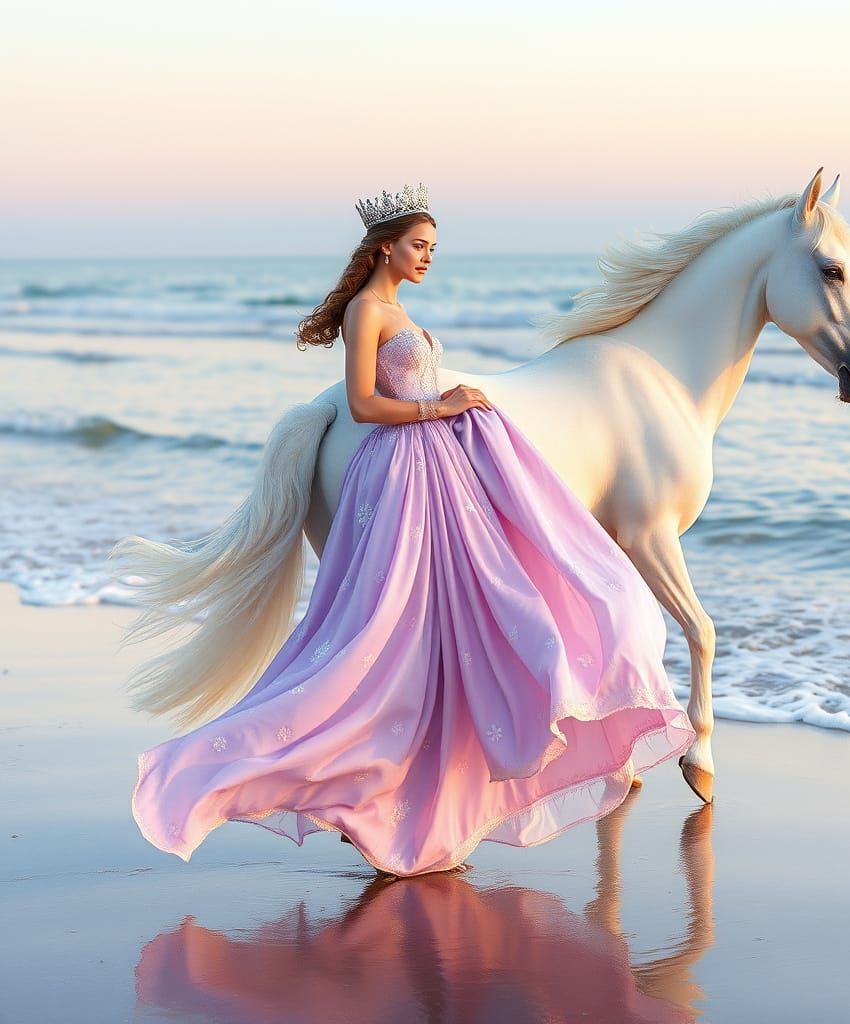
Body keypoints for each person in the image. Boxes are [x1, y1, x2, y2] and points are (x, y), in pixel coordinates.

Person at [124, 182, 697, 879]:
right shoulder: (369, 309)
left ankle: (433, 797)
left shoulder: (396, 308)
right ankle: (272, 768)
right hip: (401, 471)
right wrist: (444, 406)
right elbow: (365, 405)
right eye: (419, 246)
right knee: (388, 635)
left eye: (433, 248)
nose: (428, 257)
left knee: (467, 620)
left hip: (437, 467)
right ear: (384, 248)